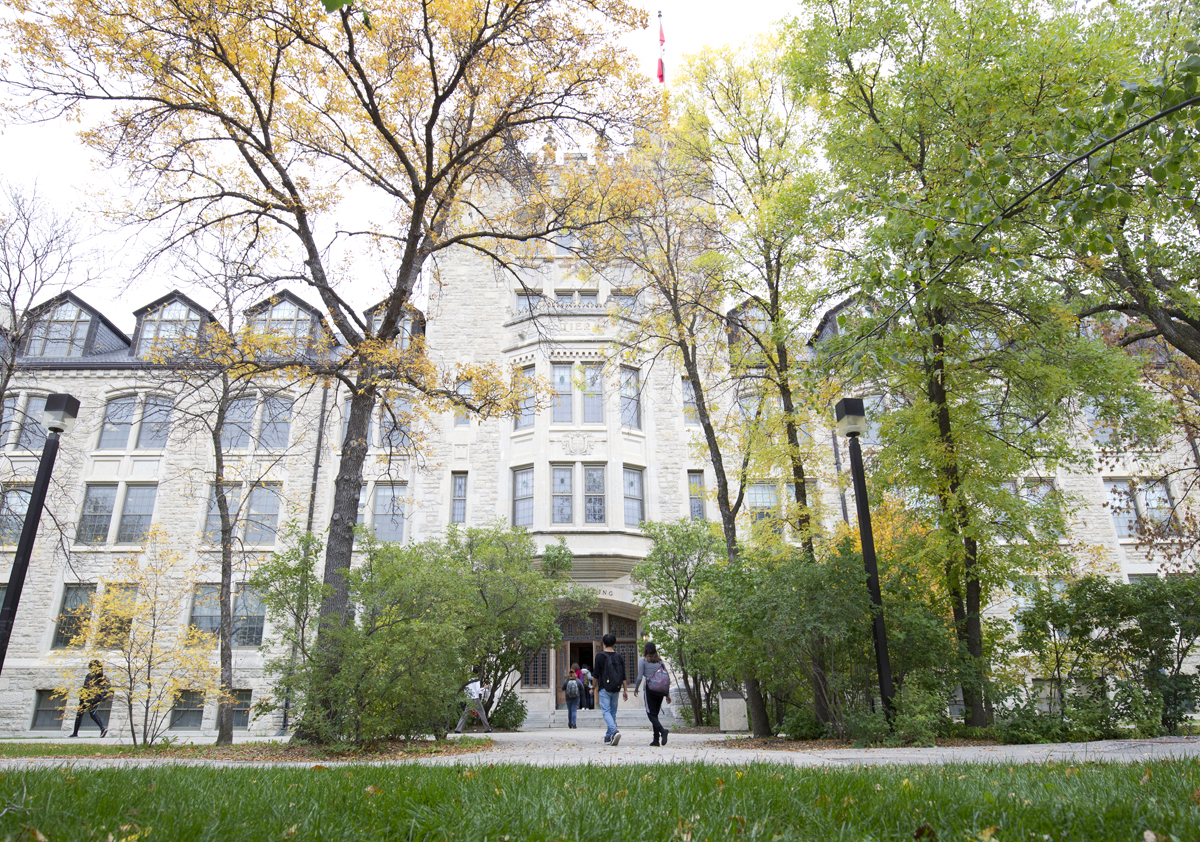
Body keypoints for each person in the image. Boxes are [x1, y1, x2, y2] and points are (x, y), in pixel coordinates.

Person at [633, 641, 672, 746]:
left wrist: (636, 689)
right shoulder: (660, 662)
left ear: (646, 650)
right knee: (655, 714)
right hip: (660, 691)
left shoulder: (643, 661)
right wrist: (667, 694)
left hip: (650, 689)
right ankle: (656, 740)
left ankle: (662, 731)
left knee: (650, 714)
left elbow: (640, 677)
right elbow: (665, 678)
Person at [592, 633, 627, 746]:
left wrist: (593, 687)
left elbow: (595, 675)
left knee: (606, 711)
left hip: (604, 688)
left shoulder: (600, 657)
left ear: (603, 643)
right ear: (615, 643)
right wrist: (625, 690)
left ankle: (614, 731)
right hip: (616, 688)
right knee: (613, 712)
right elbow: (623, 675)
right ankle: (608, 737)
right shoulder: (619, 657)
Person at [69, 660, 109, 738]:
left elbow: (86, 687)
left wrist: (82, 698)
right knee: (93, 714)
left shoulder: (89, 676)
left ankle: (75, 733)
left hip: (87, 698)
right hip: (96, 698)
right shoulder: (103, 677)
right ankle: (102, 728)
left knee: (79, 714)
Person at [453, 666, 494, 734]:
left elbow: (466, 689)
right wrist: (484, 687)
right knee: (482, 712)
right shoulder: (476, 680)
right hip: (475, 698)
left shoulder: (469, 680)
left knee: (465, 713)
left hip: (469, 698)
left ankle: (458, 729)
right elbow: (478, 691)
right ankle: (487, 728)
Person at [561, 663, 582, 729]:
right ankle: (574, 723)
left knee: (569, 710)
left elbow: (562, 688)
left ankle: (570, 723)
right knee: (574, 710)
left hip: (568, 697)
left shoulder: (566, 681)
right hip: (576, 697)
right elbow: (582, 688)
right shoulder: (577, 681)